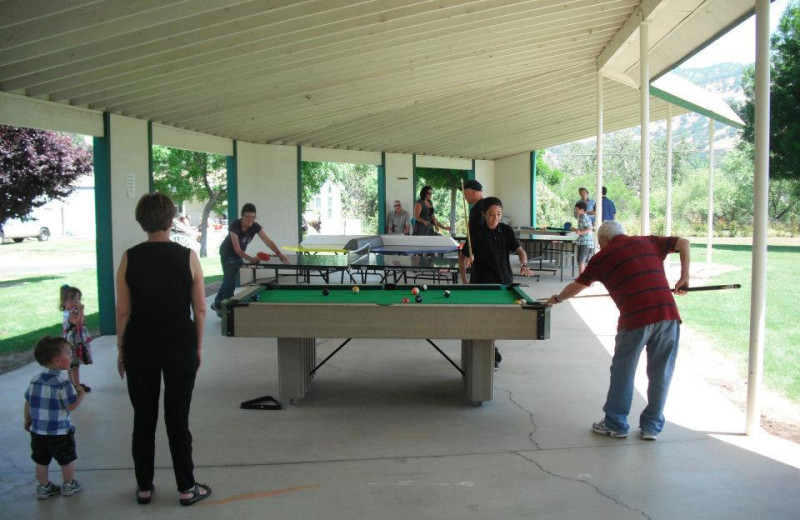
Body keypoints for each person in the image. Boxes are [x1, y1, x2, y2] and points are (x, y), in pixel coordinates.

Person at [546, 221, 690, 441]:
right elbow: (684, 242)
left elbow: (577, 286)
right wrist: (684, 277)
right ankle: (651, 427)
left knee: (624, 371)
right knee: (661, 373)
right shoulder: (648, 241)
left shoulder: (602, 257)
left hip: (635, 320)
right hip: (668, 317)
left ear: (603, 240)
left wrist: (557, 298)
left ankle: (616, 424)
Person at [116, 192, 212, 506]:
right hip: (179, 345)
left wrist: (121, 349)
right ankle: (186, 488)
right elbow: (200, 310)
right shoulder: (188, 257)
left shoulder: (129, 257)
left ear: (142, 222)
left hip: (139, 345)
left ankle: (144, 487)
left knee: (143, 418)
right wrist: (197, 346)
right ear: (171, 221)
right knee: (177, 419)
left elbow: (123, 312)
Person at [24, 336, 86, 499]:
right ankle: (68, 484)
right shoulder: (63, 383)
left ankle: (44, 487)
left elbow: (28, 402)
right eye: (68, 353)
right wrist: (80, 394)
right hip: (60, 432)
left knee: (41, 460)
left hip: (37, 432)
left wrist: (27, 419)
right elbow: (70, 405)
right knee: (66, 459)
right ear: (58, 360)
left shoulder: (35, 380)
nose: (71, 356)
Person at [211, 203, 288, 315]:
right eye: (247, 216)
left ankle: (217, 304)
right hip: (227, 253)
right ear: (242, 216)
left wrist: (279, 253)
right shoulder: (235, 226)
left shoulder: (255, 226)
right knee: (230, 283)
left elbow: (268, 242)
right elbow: (237, 249)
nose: (250, 219)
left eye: (253, 217)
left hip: (238, 255)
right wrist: (251, 259)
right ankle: (226, 313)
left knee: (228, 280)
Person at [60, 285, 92, 392]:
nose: (76, 301)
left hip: (70, 342)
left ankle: (72, 383)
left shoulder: (67, 312)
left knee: (71, 364)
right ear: (64, 302)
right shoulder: (70, 313)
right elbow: (79, 323)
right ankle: (77, 386)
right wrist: (82, 310)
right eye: (72, 299)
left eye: (78, 298)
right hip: (73, 343)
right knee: (75, 365)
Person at [458, 179, 485, 284]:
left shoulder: (482, 207)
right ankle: (465, 282)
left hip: (477, 241)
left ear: (474, 192)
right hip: (472, 238)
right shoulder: (477, 206)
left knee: (464, 258)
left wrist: (472, 252)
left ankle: (467, 282)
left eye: (466, 194)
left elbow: (479, 230)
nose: (464, 197)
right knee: (461, 257)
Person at [573, 201, 594, 274]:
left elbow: (589, 228)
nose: (575, 210)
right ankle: (585, 278)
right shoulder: (581, 217)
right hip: (586, 242)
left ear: (582, 210)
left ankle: (581, 279)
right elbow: (583, 228)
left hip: (585, 242)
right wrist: (575, 229)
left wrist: (581, 232)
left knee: (581, 261)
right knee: (584, 261)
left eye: (577, 209)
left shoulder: (584, 217)